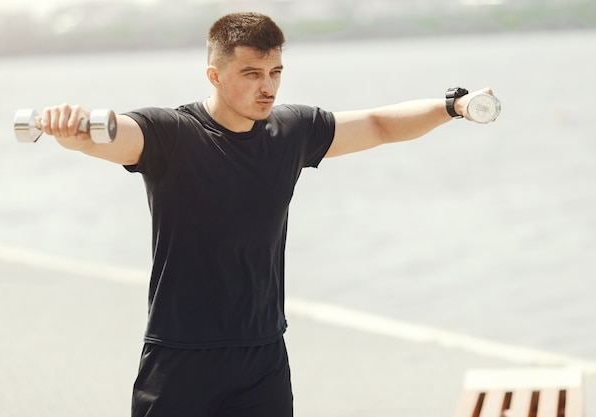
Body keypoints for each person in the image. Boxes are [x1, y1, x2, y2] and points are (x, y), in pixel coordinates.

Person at [38, 12, 497, 417]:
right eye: (252, 73)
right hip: (182, 355)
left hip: (263, 355)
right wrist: (72, 133)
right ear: (214, 75)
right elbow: (112, 135)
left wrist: (452, 107)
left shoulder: (290, 131)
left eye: (276, 72)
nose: (268, 87)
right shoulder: (171, 133)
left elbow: (378, 124)